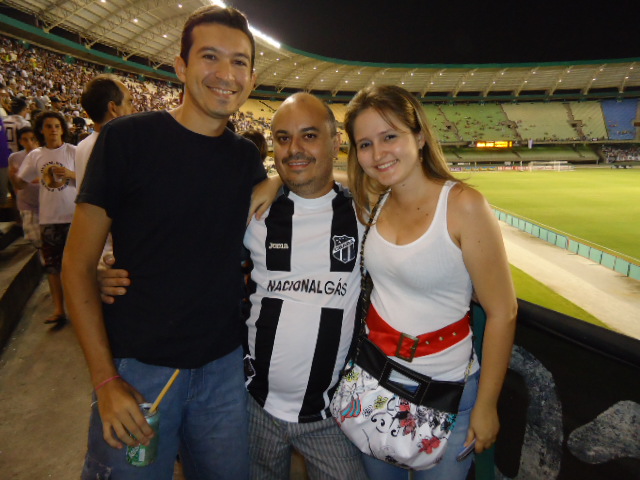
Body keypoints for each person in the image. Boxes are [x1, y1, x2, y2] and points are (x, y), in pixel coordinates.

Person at [97, 92, 369, 480]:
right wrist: (106, 265)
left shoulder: (364, 215)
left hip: (327, 414)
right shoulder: (254, 213)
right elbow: (181, 251)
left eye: (310, 136)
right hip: (253, 407)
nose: (295, 149)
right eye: (282, 138)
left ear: (335, 141)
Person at [61, 6, 266, 480]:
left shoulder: (245, 161)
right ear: (181, 66)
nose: (225, 74)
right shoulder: (126, 140)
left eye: (239, 62)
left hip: (223, 369)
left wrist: (275, 184)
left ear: (251, 78)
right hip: (139, 371)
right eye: (210, 57)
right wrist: (106, 380)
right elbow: (76, 267)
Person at [343, 85, 517, 480]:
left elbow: (503, 311)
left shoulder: (463, 205)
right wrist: (270, 183)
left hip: (449, 391)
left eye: (390, 136)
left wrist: (487, 404)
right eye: (365, 143)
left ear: (419, 136)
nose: (378, 153)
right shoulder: (373, 202)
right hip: (375, 383)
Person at [15, 111, 76, 327]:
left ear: (63, 129)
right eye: (48, 126)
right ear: (41, 129)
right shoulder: (35, 155)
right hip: (49, 218)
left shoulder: (74, 152)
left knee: (77, 267)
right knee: (52, 268)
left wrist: (70, 174)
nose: (53, 130)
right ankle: (59, 309)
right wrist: (17, 180)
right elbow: (21, 182)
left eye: (57, 126)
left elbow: (89, 179)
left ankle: (80, 308)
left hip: (74, 217)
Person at [75, 74, 134, 189]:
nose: (133, 109)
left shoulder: (83, 145)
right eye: (129, 102)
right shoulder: (115, 147)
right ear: (113, 108)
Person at [8, 126, 41, 248]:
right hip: (27, 202)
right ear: (20, 141)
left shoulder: (46, 155)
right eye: (25, 140)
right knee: (35, 238)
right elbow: (14, 182)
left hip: (46, 202)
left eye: (32, 139)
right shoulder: (15, 158)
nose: (30, 143)